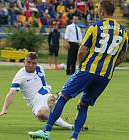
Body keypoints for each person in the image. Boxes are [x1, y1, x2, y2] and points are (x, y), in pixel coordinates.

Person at [28, 1, 128, 140]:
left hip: (87, 70)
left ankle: (46, 131)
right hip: (105, 76)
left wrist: (81, 66)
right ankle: (74, 137)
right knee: (84, 104)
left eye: (99, 10)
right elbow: (122, 56)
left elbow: (82, 51)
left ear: (102, 12)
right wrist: (109, 66)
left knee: (62, 97)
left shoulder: (94, 27)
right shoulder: (123, 31)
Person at [0, 53, 73, 130]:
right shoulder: (20, 76)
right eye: (28, 62)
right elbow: (11, 93)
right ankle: (66, 124)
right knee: (42, 114)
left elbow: (44, 85)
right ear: (24, 62)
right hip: (35, 103)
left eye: (33, 63)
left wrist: (49, 95)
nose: (31, 65)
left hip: (44, 96)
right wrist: (5, 108)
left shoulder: (39, 68)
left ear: (36, 63)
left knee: (53, 98)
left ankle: (70, 126)